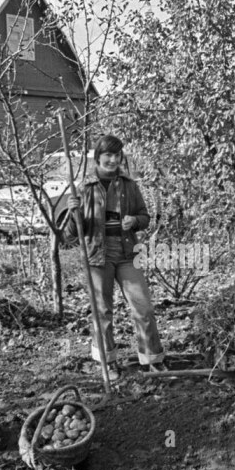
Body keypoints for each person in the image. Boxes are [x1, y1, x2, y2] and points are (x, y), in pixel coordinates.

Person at [64, 134, 166, 379]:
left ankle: (151, 358)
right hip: (97, 255)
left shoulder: (129, 185)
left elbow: (144, 216)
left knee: (143, 307)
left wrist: (134, 221)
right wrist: (73, 213)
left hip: (127, 252)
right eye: (107, 155)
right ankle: (107, 362)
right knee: (102, 312)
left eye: (116, 155)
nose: (112, 160)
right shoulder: (84, 188)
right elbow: (70, 236)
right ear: (98, 157)